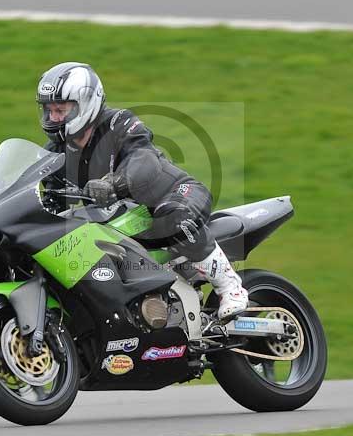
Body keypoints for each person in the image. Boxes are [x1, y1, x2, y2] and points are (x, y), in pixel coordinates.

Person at [36, 62, 248, 319]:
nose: (54, 118)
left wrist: (113, 183)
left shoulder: (119, 123)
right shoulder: (54, 153)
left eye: (61, 110)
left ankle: (230, 287)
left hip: (178, 194)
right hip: (126, 221)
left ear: (86, 103)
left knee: (173, 215)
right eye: (49, 110)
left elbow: (143, 158)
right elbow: (50, 202)